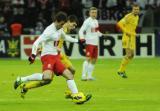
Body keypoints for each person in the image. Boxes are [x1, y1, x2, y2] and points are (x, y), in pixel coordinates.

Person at [14, 12, 91, 104]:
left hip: (55, 57)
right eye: (62, 24)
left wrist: (78, 41)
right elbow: (36, 42)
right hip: (47, 57)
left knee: (69, 75)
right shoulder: (49, 31)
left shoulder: (60, 29)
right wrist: (33, 55)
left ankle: (76, 96)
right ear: (56, 21)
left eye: (64, 24)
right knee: (47, 77)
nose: (63, 25)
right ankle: (22, 79)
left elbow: (65, 37)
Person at [79, 7, 102, 81]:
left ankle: (89, 76)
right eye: (92, 12)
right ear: (89, 13)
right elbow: (81, 31)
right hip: (89, 42)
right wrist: (82, 40)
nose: (94, 14)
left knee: (94, 60)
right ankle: (83, 76)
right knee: (88, 59)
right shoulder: (87, 21)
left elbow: (96, 31)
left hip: (95, 43)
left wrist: (101, 35)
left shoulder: (96, 21)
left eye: (95, 12)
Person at [117, 4, 140, 78]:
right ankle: (120, 71)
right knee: (129, 54)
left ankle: (122, 70)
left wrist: (134, 33)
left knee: (132, 55)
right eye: (135, 9)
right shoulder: (128, 16)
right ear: (132, 10)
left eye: (137, 9)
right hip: (127, 37)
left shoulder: (137, 17)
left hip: (132, 37)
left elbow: (132, 27)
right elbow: (119, 23)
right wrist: (126, 31)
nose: (136, 10)